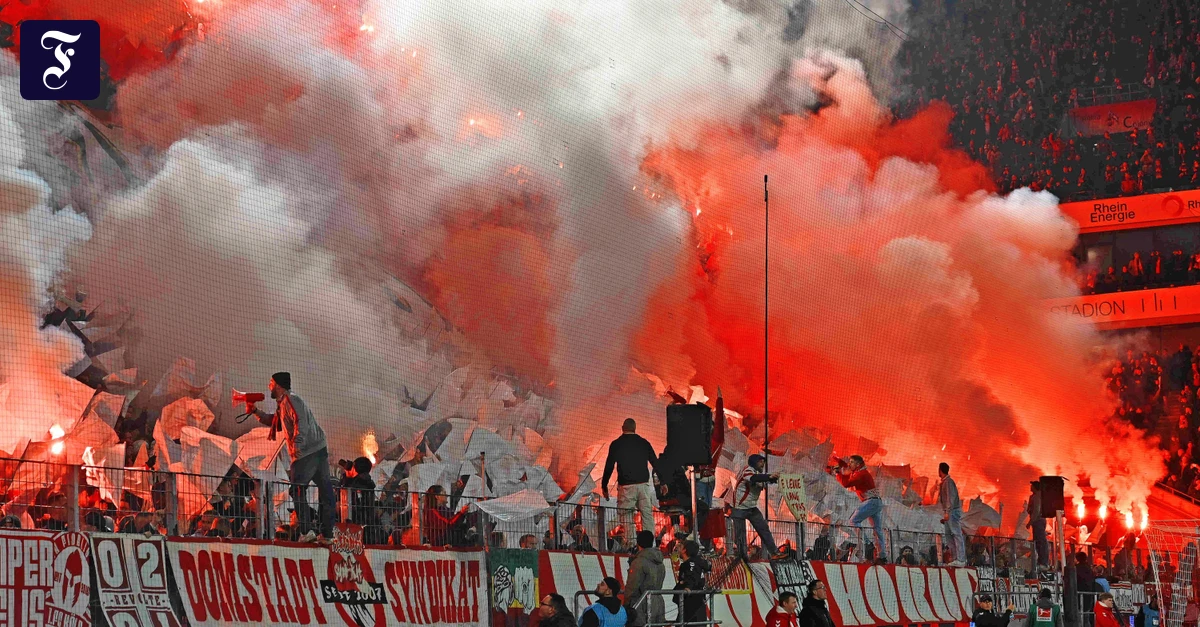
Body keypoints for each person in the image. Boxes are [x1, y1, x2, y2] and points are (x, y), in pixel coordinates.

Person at [249, 372, 335, 541]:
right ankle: (327, 534)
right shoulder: (284, 404)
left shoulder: (291, 400)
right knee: (325, 491)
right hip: (317, 449)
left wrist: (297, 444)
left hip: (305, 454)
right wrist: (255, 411)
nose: (269, 386)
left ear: (279, 386)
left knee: (297, 490)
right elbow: (275, 422)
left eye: (271, 383)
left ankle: (306, 531)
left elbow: (300, 420)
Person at [602, 419, 660, 545]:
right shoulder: (644, 443)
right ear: (635, 428)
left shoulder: (616, 444)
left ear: (622, 428)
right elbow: (655, 462)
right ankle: (651, 544)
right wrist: (664, 481)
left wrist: (604, 485)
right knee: (647, 515)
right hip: (644, 486)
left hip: (626, 487)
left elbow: (609, 466)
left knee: (626, 516)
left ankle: (632, 544)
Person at [731, 454, 787, 559]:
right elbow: (754, 478)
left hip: (751, 507)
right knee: (740, 534)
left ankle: (774, 553)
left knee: (764, 528)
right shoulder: (747, 470)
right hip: (740, 508)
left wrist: (776, 478)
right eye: (760, 461)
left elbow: (764, 479)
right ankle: (742, 556)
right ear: (754, 462)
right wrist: (769, 476)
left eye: (763, 462)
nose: (762, 464)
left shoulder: (758, 474)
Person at [834, 455, 888, 560]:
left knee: (853, 520)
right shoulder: (860, 472)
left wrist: (837, 473)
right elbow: (848, 472)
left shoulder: (861, 474)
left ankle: (867, 543)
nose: (849, 464)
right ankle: (882, 555)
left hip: (871, 502)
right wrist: (839, 462)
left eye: (852, 462)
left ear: (858, 464)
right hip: (875, 502)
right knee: (877, 530)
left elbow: (846, 483)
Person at [625, 530, 666, 627]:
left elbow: (632, 586)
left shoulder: (639, 562)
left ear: (638, 542)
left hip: (641, 603)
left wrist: (626, 603)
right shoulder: (660, 562)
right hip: (658, 601)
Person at [676, 541, 711, 625]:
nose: (677, 548)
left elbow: (692, 577)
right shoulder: (698, 562)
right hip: (698, 605)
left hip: (691, 605)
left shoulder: (690, 564)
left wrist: (687, 587)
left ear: (684, 550)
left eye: (680, 546)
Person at [938, 463, 965, 567]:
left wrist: (947, 512)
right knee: (949, 536)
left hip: (952, 512)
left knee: (956, 534)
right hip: (949, 512)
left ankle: (961, 559)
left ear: (940, 470)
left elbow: (950, 498)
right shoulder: (945, 483)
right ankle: (955, 558)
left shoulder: (948, 482)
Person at [1028, 482, 1049, 570]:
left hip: (1038, 521)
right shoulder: (1036, 496)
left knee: (1040, 542)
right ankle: (1041, 561)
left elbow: (1036, 510)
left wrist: (1030, 522)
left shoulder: (1037, 496)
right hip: (1038, 521)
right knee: (1038, 542)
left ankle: (1043, 563)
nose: (1030, 487)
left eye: (1032, 485)